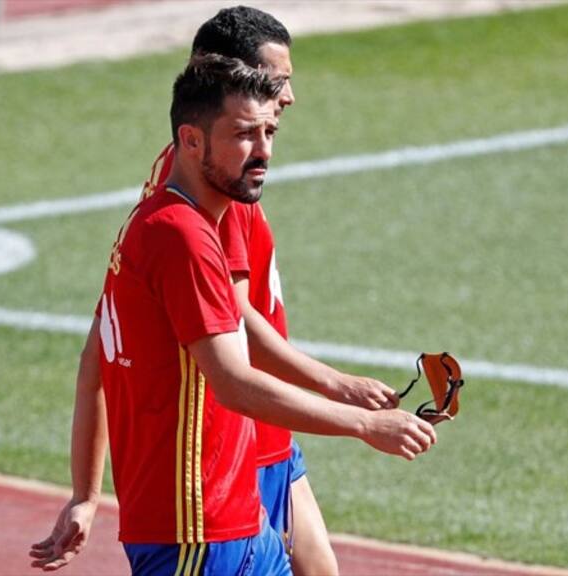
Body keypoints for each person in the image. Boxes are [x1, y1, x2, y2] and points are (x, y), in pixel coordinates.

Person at [30, 54, 436, 575]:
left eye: (269, 132)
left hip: (232, 521)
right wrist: (363, 424)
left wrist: (85, 496)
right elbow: (234, 382)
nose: (263, 151)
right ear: (192, 140)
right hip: (197, 535)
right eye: (244, 134)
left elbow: (95, 364)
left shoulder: (166, 220)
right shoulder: (182, 238)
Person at [140, 7, 401, 575]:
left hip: (266, 431)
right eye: (277, 80)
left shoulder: (203, 169)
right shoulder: (214, 191)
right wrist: (339, 390)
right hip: (242, 443)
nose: (288, 96)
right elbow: (235, 324)